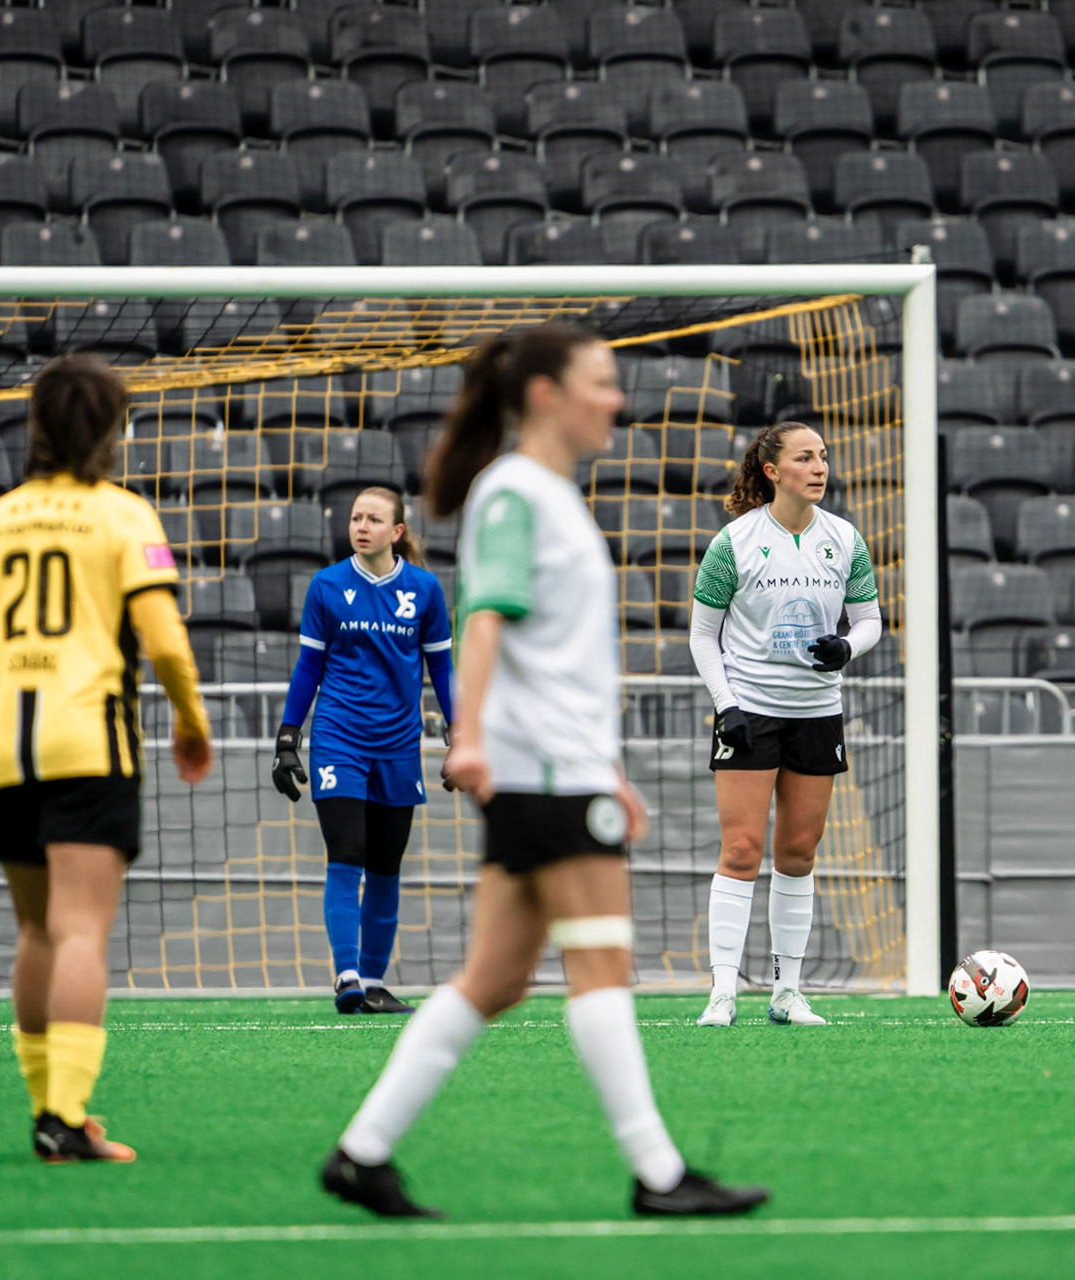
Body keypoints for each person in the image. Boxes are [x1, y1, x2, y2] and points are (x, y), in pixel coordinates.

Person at [320, 323, 768, 1218]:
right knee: (603, 966)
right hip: (545, 777)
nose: (617, 399)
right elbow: (485, 622)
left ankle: (362, 1153)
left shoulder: (539, 493)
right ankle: (659, 1174)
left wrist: (609, 766)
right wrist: (470, 736)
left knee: (495, 980)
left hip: (562, 767)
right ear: (543, 397)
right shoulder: (519, 493)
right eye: (600, 382)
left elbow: (550, 654)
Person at [0, 354, 214, 1161]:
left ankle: (45, 1112)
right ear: (111, 429)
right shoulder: (122, 516)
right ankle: (66, 1116)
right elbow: (164, 639)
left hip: (2, 744)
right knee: (83, 929)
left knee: (37, 931)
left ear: (36, 427)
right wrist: (190, 721)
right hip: (87, 735)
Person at [688, 422, 882, 1028]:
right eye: (806, 457)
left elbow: (871, 619)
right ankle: (723, 992)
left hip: (817, 712)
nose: (820, 466)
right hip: (748, 711)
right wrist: (727, 704)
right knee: (741, 850)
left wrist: (848, 649)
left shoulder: (845, 539)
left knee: (798, 853)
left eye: (823, 456)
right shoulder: (734, 542)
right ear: (773, 472)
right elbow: (701, 635)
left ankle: (786, 992)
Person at [273, 486, 454, 1015]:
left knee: (386, 866)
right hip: (339, 738)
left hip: (399, 744)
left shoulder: (423, 589)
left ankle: (373, 982)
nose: (362, 526)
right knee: (346, 853)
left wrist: (458, 733)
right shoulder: (327, 585)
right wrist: (289, 737)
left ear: (397, 531)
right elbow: (309, 667)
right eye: (356, 517)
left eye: (374, 519)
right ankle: (347, 974)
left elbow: (441, 668)